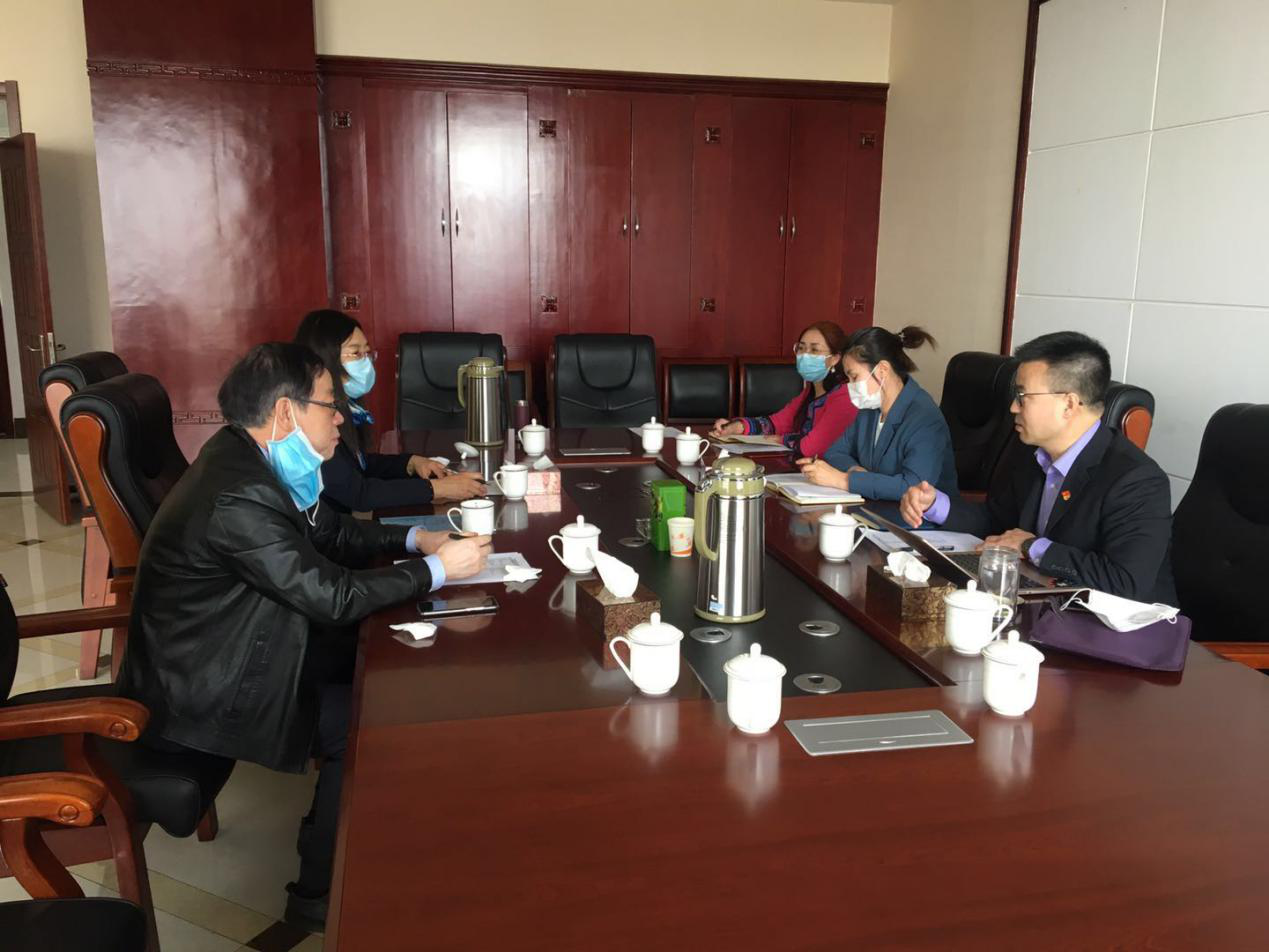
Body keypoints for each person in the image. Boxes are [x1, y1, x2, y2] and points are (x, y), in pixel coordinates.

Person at [116, 343, 490, 933]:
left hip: (240, 642)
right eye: (328, 404)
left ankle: (402, 824)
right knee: (364, 719)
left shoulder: (251, 457)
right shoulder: (237, 495)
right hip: (206, 685)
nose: (340, 417)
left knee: (394, 663)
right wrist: (437, 571)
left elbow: (330, 534)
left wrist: (416, 541)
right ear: (286, 413)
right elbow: (331, 597)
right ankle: (318, 893)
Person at [899, 331, 1176, 603]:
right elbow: (998, 522)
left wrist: (1031, 546)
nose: (1013, 407)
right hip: (1040, 601)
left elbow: (1126, 583)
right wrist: (935, 504)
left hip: (1112, 624)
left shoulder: (1136, 479)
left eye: (1022, 396)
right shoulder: (1030, 452)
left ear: (1068, 404)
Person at [294, 309, 484, 513]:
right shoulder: (313, 420)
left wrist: (411, 463)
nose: (365, 362)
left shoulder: (346, 409)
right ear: (325, 358)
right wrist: (435, 489)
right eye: (356, 353)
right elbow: (358, 493)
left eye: (367, 353)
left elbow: (360, 465)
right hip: (329, 530)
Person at [797, 326, 957, 501]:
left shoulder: (924, 418)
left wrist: (844, 480)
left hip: (918, 517)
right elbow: (835, 452)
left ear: (882, 370)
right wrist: (855, 471)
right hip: (875, 506)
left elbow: (914, 488)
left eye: (854, 377)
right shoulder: (870, 409)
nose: (850, 386)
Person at [709, 321, 857, 457]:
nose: (805, 355)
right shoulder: (810, 391)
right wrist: (736, 427)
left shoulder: (845, 396)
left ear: (835, 358)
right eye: (801, 348)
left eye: (814, 350)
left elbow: (811, 448)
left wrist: (781, 440)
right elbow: (776, 424)